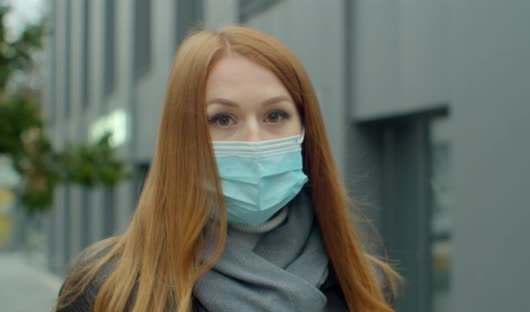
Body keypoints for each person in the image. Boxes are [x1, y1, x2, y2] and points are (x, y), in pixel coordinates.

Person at [56, 26, 401, 312]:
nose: (253, 141)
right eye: (222, 119)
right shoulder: (105, 286)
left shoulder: (363, 283)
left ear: (304, 129)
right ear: (183, 137)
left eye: (275, 116)